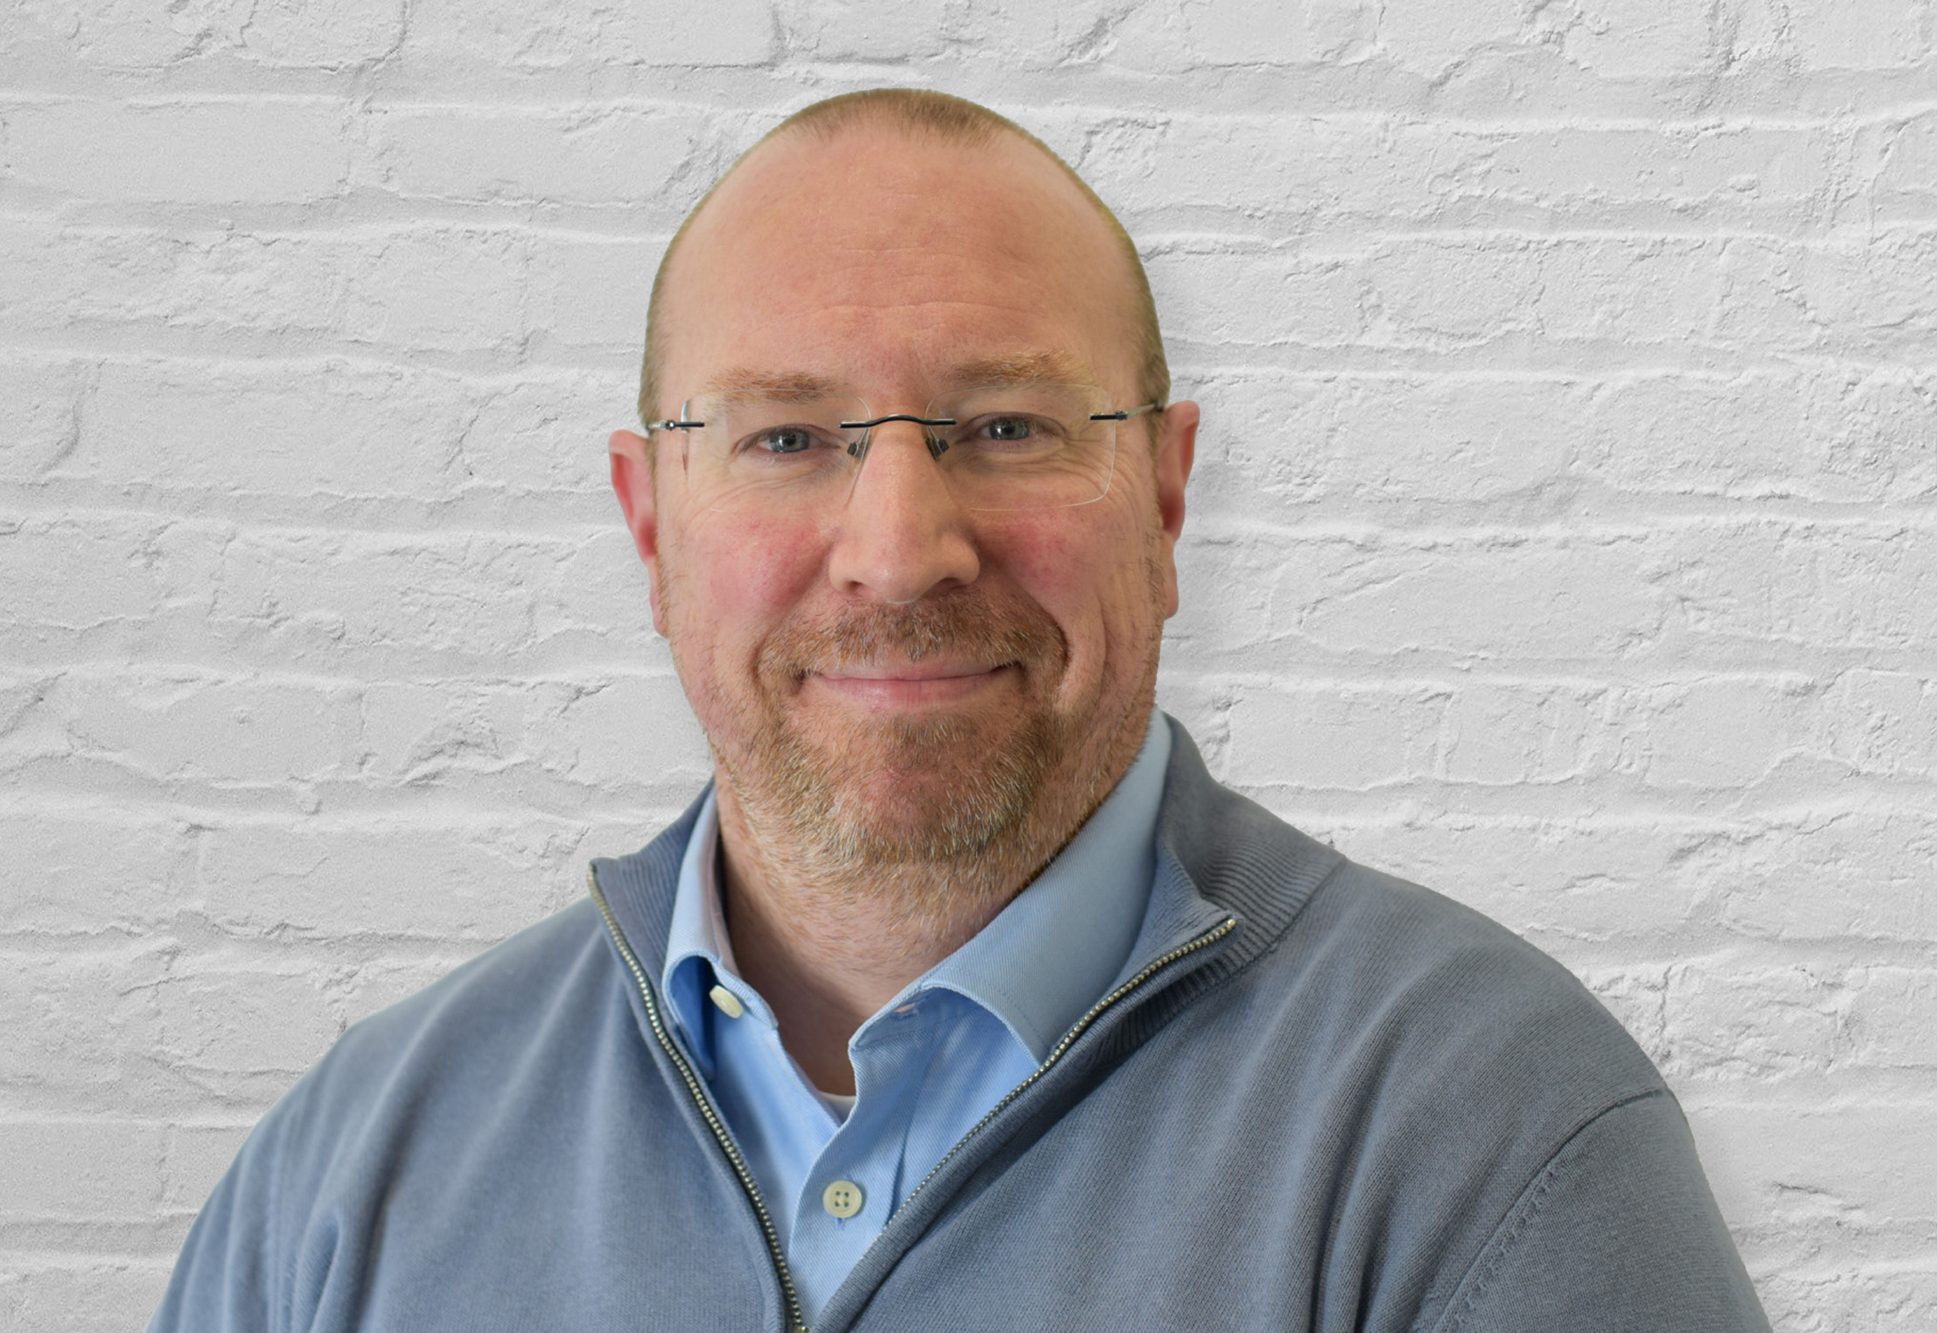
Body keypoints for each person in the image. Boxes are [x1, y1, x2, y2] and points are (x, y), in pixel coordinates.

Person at [148, 89, 1771, 1333]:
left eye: (1004, 425)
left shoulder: (1490, 1137)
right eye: (787, 439)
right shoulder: (350, 1175)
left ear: (1167, 493)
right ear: (653, 530)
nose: (901, 549)